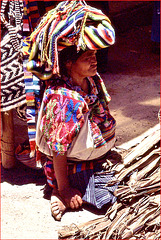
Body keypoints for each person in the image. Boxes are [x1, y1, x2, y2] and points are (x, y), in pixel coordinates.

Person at [24, 0, 117, 221]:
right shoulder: (65, 99)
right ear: (68, 63)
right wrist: (65, 189)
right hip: (74, 163)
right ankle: (58, 190)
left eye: (95, 56)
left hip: (92, 155)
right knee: (107, 198)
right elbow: (58, 149)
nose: (94, 62)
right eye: (87, 58)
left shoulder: (90, 80)